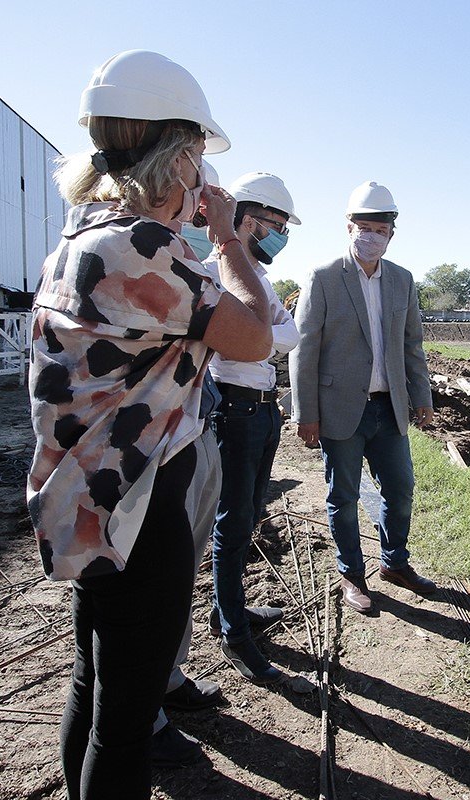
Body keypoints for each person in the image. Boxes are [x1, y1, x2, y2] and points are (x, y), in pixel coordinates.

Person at [27, 50, 271, 799]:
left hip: (89, 499)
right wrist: (227, 239)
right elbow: (255, 336)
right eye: (195, 154)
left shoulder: (80, 238)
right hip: (138, 505)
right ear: (176, 155)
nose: (201, 173)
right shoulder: (141, 246)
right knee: (125, 722)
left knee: (93, 682)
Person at [289, 181, 435, 613]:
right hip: (339, 409)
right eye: (364, 228)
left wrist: (421, 395)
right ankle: (352, 574)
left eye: (380, 230)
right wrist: (305, 412)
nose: (371, 237)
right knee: (344, 497)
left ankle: (394, 562)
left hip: (388, 408)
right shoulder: (323, 278)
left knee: (401, 489)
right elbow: (304, 348)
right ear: (349, 227)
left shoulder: (402, 280)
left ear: (392, 235)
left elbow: (411, 344)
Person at [199, 172, 304, 684]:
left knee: (249, 515)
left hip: (263, 410)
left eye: (284, 227)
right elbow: (249, 340)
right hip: (233, 410)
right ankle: (233, 633)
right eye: (273, 225)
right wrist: (263, 333)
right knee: (232, 521)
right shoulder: (209, 274)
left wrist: (261, 333)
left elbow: (290, 333)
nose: (279, 236)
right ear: (242, 219)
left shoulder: (257, 278)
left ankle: (230, 611)